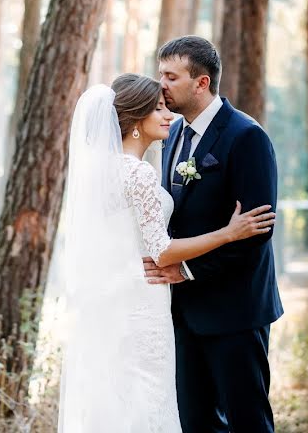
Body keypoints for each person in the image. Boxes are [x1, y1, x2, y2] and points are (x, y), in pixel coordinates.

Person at [58, 73, 275, 432]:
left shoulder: (103, 170)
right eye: (157, 109)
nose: (167, 115)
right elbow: (161, 250)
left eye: (169, 83)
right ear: (135, 121)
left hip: (118, 298)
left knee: (122, 399)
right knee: (147, 399)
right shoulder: (139, 173)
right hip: (144, 299)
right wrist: (228, 232)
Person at [144, 35, 283, 433]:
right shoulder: (172, 135)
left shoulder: (246, 137)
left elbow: (256, 234)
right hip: (184, 315)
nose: (161, 86)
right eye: (160, 76)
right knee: (195, 422)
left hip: (235, 310)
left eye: (171, 77)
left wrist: (187, 270)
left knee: (247, 422)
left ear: (201, 83)